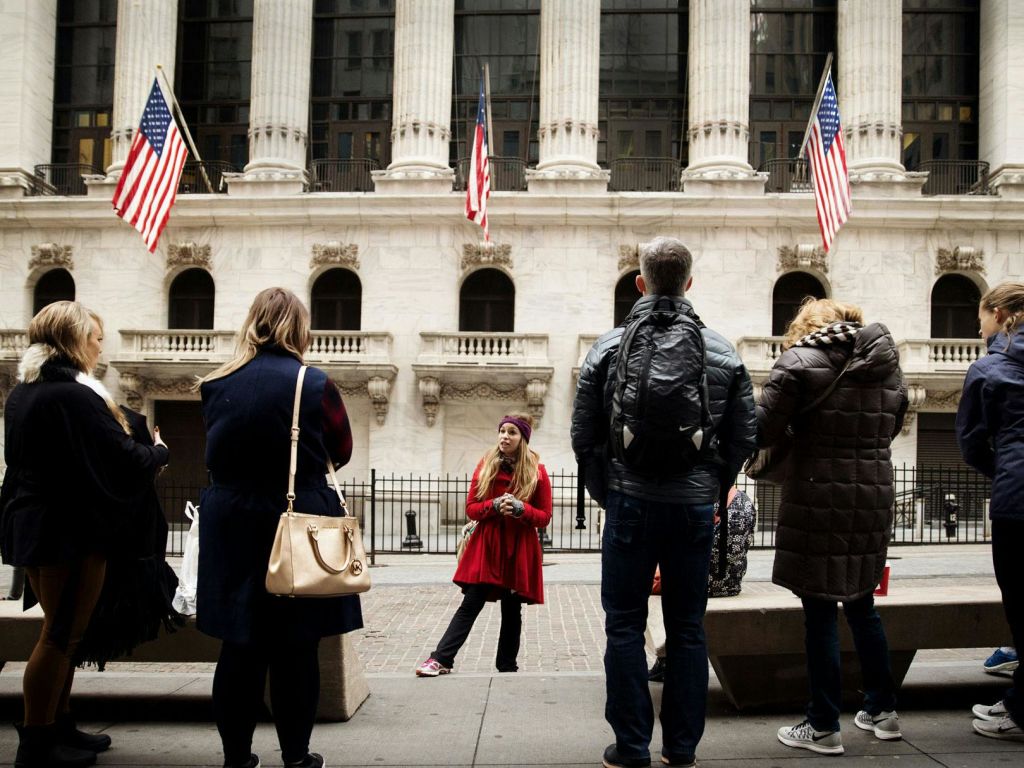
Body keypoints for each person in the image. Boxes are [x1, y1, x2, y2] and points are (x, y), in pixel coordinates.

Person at [572, 236, 757, 768]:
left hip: (630, 503)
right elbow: (745, 436)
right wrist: (717, 487)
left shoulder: (607, 348)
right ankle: (681, 747)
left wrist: (609, 492)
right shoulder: (721, 350)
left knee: (624, 624)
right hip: (695, 508)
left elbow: (583, 436)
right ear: (690, 284)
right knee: (688, 626)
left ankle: (630, 747)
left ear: (640, 283)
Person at [197, 287, 362, 768]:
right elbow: (342, 448)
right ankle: (295, 756)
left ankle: (236, 757)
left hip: (230, 519)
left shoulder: (216, 382)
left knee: (239, 643)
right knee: (296, 645)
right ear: (299, 328)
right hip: (295, 521)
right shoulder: (312, 384)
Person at [0, 301, 169, 768]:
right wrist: (158, 450)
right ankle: (37, 742)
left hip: (35, 523)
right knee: (59, 636)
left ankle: (58, 724)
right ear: (73, 340)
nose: (100, 345)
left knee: (66, 635)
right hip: (67, 531)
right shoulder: (75, 396)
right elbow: (123, 458)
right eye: (95, 338)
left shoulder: (24, 392)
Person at [757, 298, 908, 755]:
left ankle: (823, 725)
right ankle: (883, 711)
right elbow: (892, 426)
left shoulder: (798, 361)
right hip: (873, 495)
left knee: (820, 609)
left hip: (819, 494)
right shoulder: (887, 366)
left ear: (807, 326)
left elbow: (761, 430)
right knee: (862, 604)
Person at [416, 413, 552, 677]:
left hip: (518, 547)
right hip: (488, 547)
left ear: (522, 438)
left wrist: (521, 508)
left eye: (512, 432)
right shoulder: (486, 465)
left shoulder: (537, 471)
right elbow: (471, 509)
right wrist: (493, 505)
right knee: (471, 602)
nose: (505, 436)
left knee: (512, 611)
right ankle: (441, 659)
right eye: (502, 431)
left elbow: (544, 516)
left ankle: (507, 668)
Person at [956, 281, 1024, 742]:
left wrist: (1004, 470)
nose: (976, 327)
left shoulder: (989, 368)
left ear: (999, 314)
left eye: (980, 316)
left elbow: (971, 443)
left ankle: (1019, 711)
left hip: (1018, 500)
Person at [647, 486, 756, 682]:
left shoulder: (700, 499)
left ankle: (666, 660)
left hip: (699, 581)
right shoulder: (745, 501)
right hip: (730, 582)